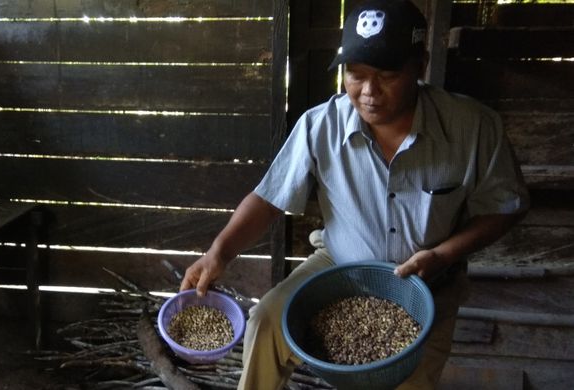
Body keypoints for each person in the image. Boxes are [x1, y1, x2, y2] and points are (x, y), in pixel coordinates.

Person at [179, 0, 530, 389]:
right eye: (355, 75)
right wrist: (219, 252)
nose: (368, 92)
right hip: (339, 264)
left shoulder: (473, 128)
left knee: (408, 379)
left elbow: (506, 207)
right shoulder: (320, 125)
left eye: (387, 75)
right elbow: (268, 199)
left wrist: (442, 256)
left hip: (429, 282)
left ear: (421, 65)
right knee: (265, 322)